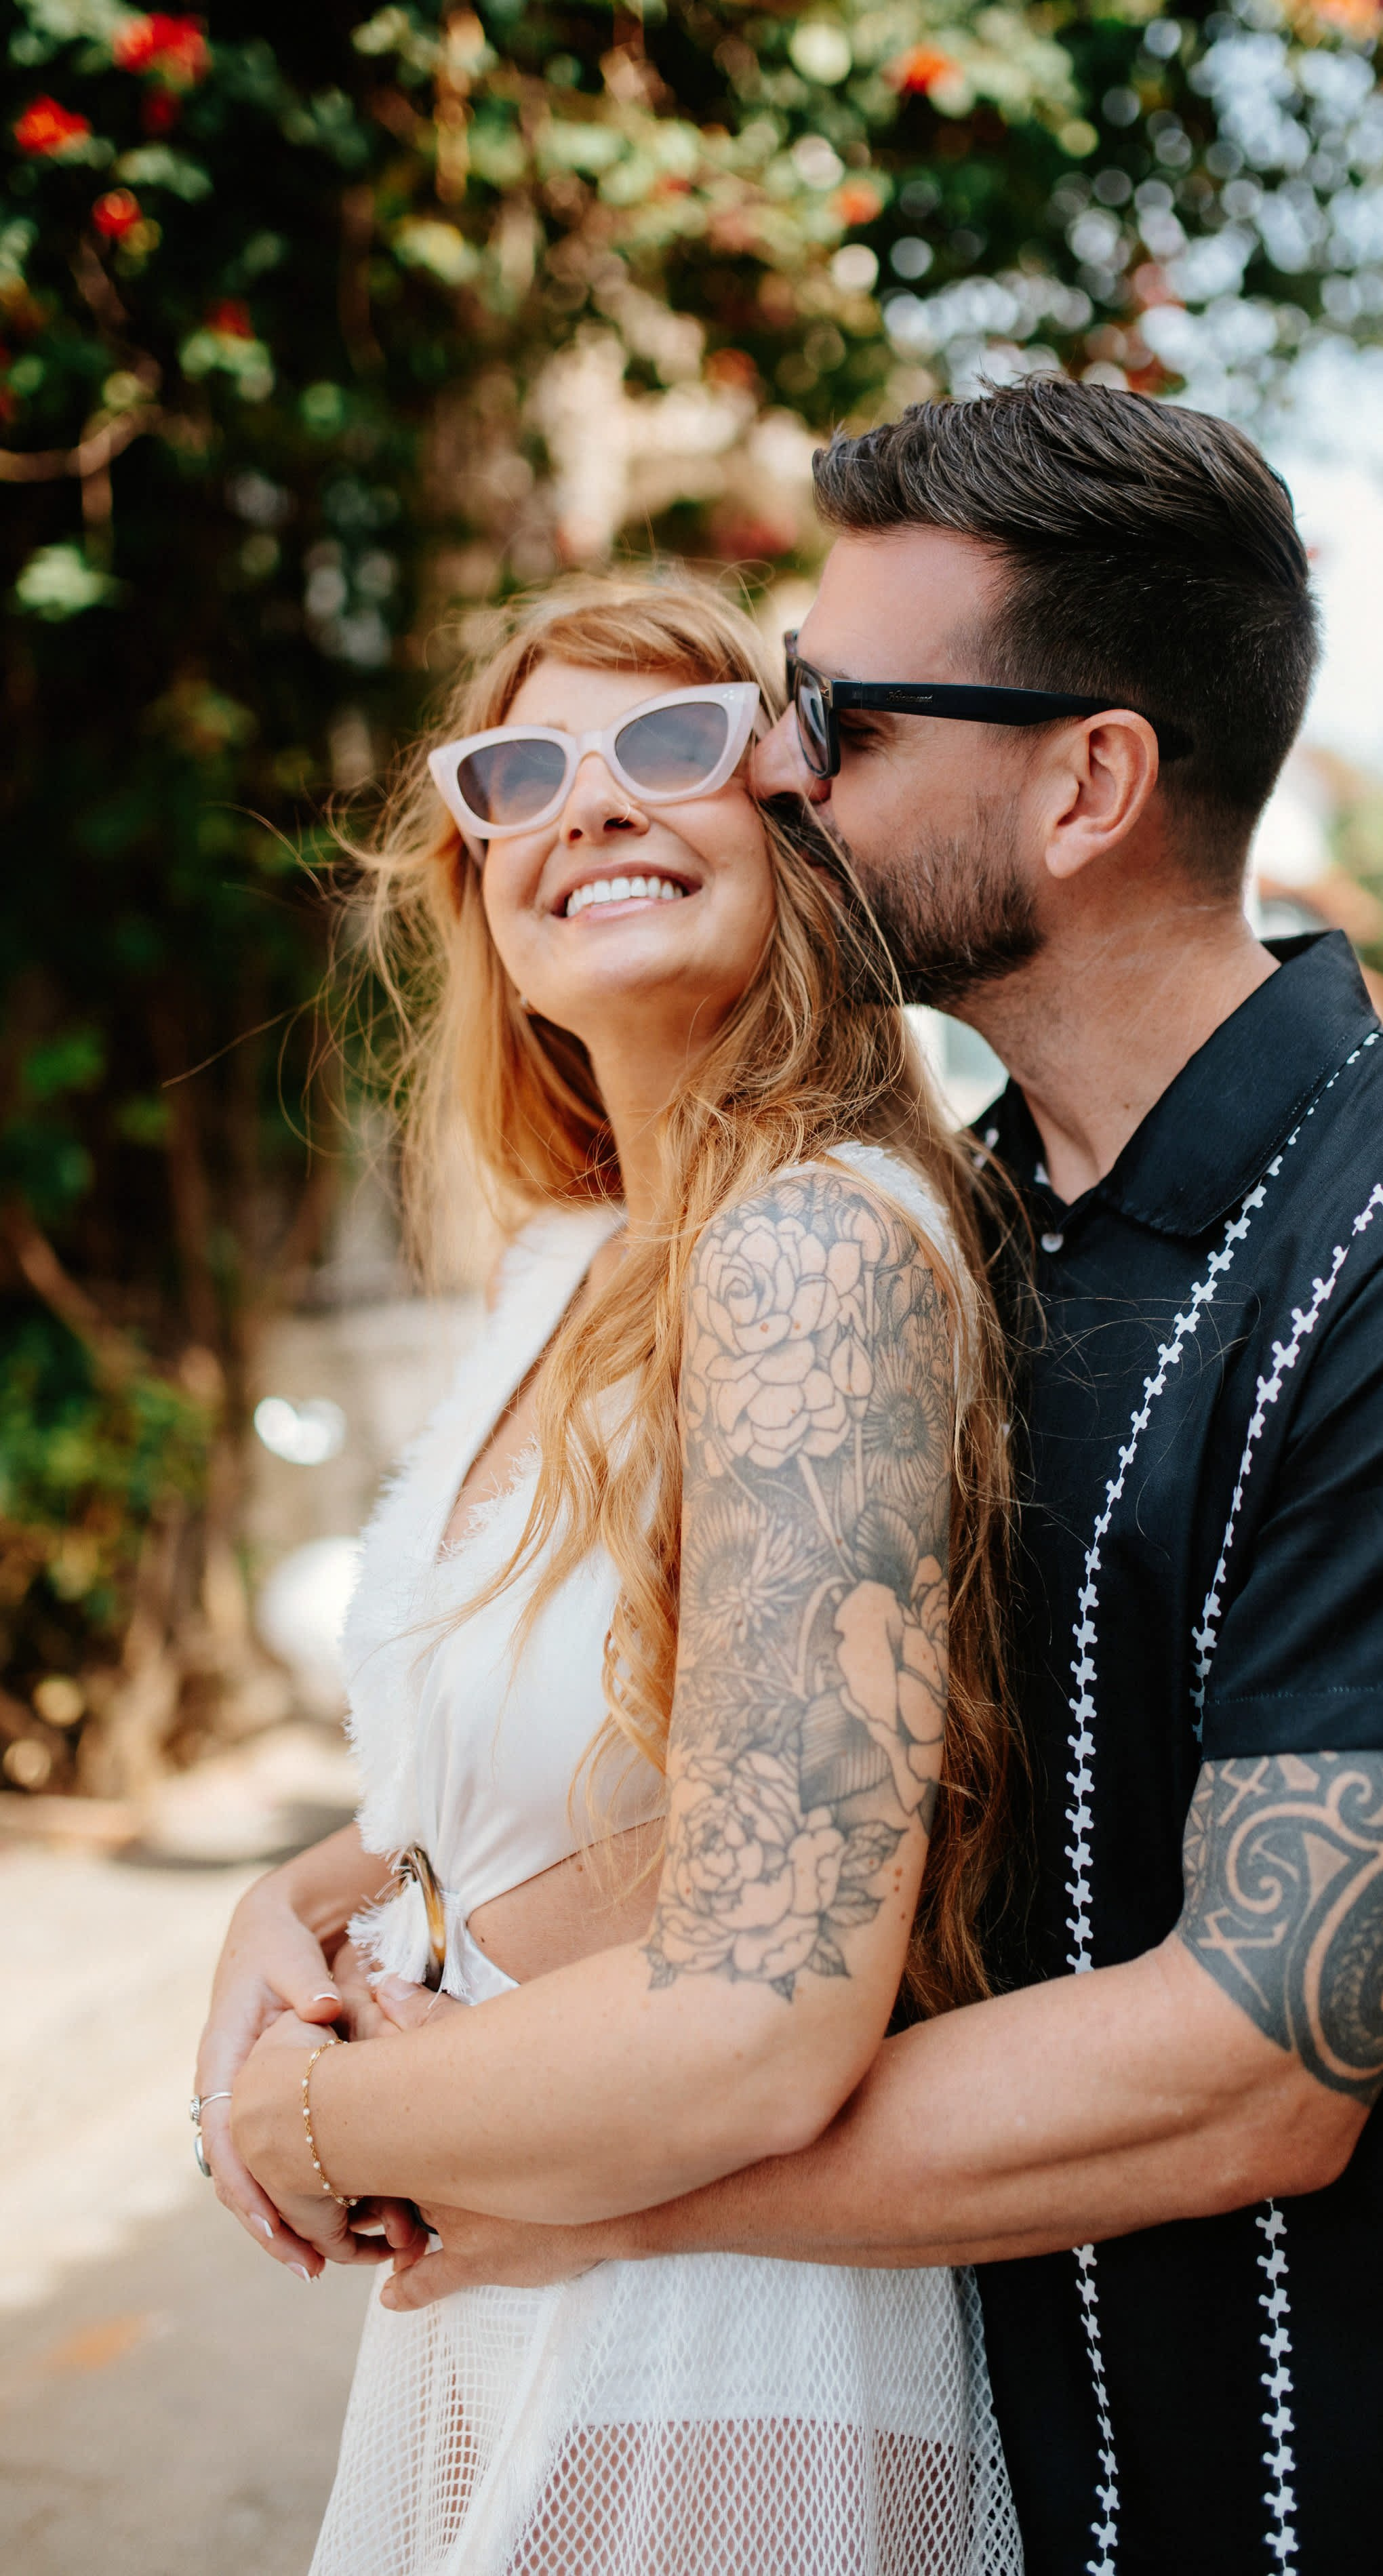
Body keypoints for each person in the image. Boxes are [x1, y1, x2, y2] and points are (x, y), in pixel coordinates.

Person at [324, 383, 1383, 2576]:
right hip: (991, 2446)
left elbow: (1250, 2057)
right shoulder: (959, 1225)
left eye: (833, 718)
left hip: (1326, 2473)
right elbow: (757, 1741)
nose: (772, 764)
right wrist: (322, 1903)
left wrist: (520, 2173)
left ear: (1088, 784)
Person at [193, 578, 1028, 2573]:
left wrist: (294, 2126)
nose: (592, 807)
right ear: (477, 877)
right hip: (509, 2283)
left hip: (713, 2348)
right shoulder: (568, 1266)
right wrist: (290, 1900)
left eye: (671, 747)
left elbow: (763, 2012)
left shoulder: (817, 1247)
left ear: (796, 833)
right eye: (519, 775)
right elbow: (576, 1766)